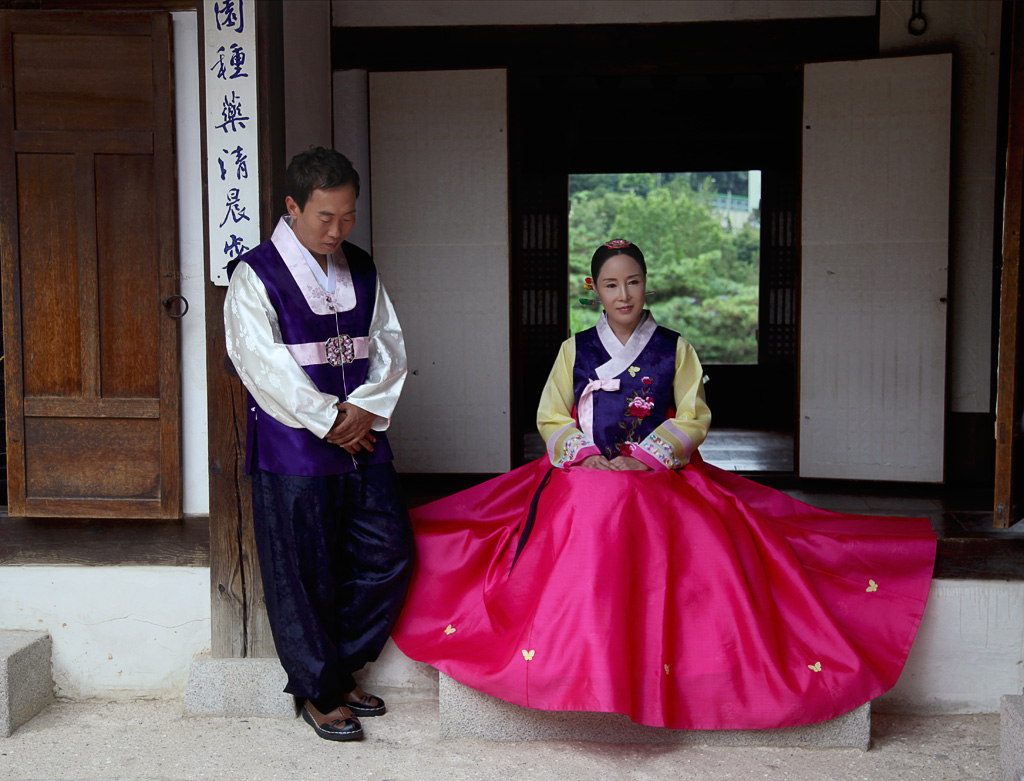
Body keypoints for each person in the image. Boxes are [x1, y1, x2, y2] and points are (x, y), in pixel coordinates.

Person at [391, 238, 936, 731]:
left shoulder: (674, 347)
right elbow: (552, 416)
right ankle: (577, 658)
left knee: (641, 501)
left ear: (646, 283)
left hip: (656, 473)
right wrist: (584, 455)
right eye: (610, 284)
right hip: (584, 470)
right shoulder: (573, 349)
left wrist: (646, 458)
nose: (623, 294)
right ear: (594, 289)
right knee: (585, 497)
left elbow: (693, 416)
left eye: (632, 281)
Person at [224, 147, 413, 742]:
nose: (337, 230)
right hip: (295, 445)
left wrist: (365, 409)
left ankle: (338, 666)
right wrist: (330, 418)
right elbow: (259, 361)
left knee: (388, 554)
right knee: (302, 571)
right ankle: (318, 690)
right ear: (292, 208)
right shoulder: (257, 273)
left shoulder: (360, 264)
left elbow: (386, 343)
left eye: (348, 216)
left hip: (362, 436)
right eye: (324, 217)